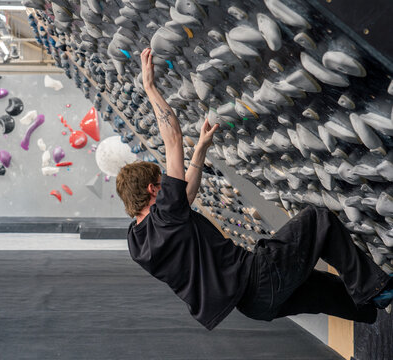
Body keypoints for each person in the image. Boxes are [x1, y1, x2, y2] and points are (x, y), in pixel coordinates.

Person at [115, 48, 393, 330]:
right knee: (318, 221)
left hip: (253, 306)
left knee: (325, 291)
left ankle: (372, 304)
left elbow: (184, 198)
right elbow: (172, 139)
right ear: (152, 189)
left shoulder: (138, 242)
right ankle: (375, 288)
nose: (167, 188)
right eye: (162, 185)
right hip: (257, 277)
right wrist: (149, 86)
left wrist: (200, 150)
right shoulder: (165, 216)